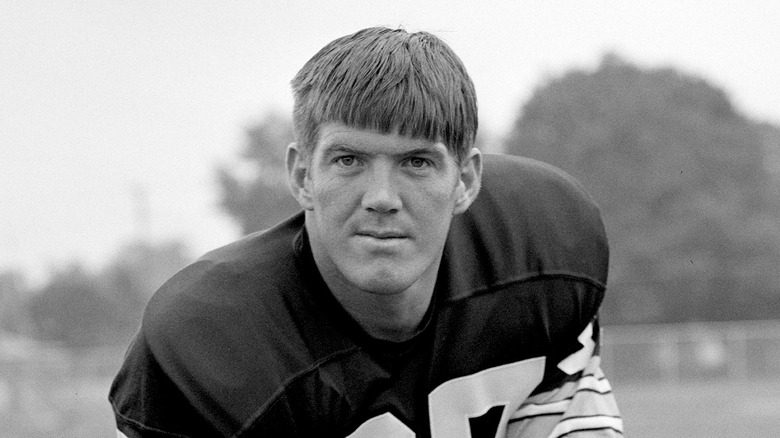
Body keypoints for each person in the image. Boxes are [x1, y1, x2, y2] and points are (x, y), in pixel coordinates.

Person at [109, 27, 622, 437]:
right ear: (303, 176)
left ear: (464, 181)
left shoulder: (542, 259)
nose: (382, 197)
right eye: (349, 160)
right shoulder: (214, 342)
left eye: (417, 162)